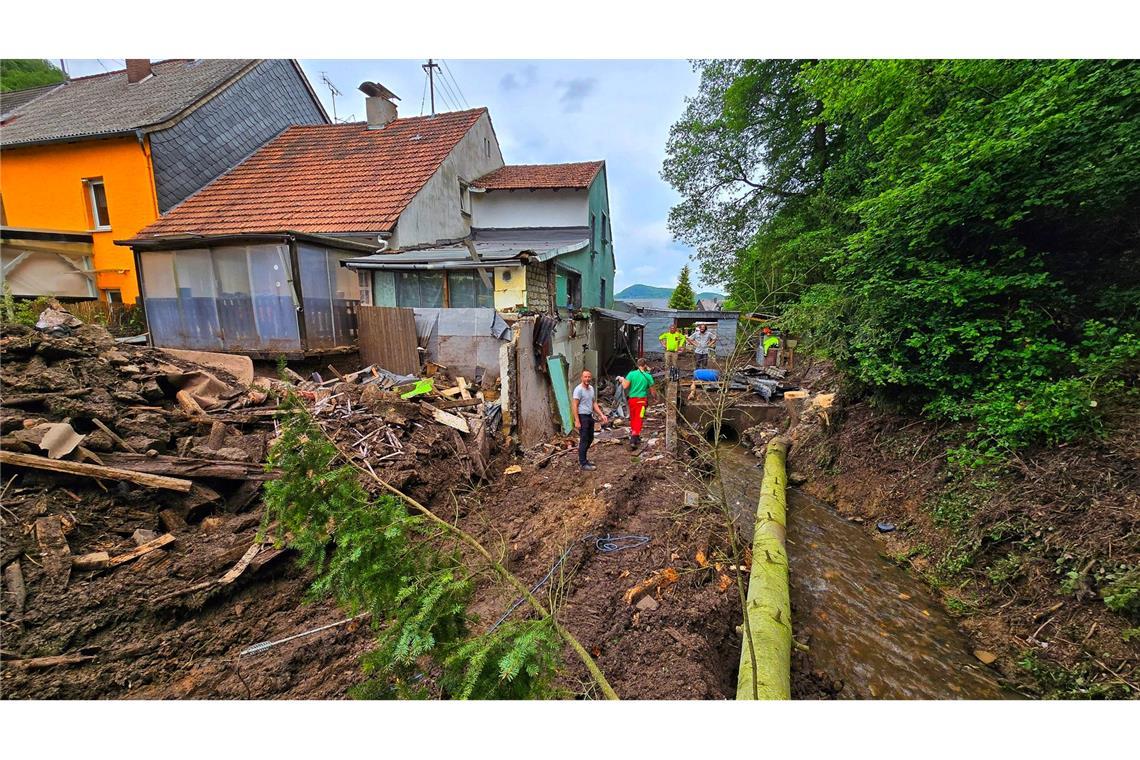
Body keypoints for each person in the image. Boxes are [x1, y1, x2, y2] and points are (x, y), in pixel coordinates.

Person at [572, 369, 608, 471]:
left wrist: (601, 414)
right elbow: (574, 405)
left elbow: (594, 403)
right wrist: (577, 420)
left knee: (590, 438)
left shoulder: (591, 388)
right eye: (585, 377)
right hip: (582, 416)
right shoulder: (578, 390)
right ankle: (583, 463)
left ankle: (583, 458)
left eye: (589, 377)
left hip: (589, 416)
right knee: (584, 440)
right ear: (581, 378)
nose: (587, 379)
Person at [621, 358, 657, 449]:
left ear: (637, 365)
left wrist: (622, 380)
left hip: (632, 400)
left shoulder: (631, 374)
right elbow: (653, 391)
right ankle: (633, 438)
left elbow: (625, 386)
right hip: (641, 401)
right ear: (645, 365)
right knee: (639, 418)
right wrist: (655, 398)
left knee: (633, 418)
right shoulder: (648, 376)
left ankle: (636, 436)